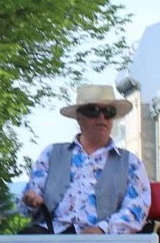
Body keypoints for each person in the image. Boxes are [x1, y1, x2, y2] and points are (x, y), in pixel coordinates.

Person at [21, 84, 152, 235]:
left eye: (109, 112)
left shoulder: (130, 163)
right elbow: (29, 200)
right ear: (79, 117)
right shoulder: (52, 153)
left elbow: (137, 206)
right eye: (93, 111)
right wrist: (31, 199)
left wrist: (103, 229)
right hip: (49, 235)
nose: (102, 117)